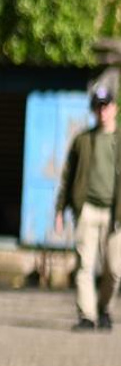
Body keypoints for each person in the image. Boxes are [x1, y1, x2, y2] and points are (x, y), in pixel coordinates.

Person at [54, 84, 118, 331]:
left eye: (106, 106)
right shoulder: (82, 140)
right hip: (87, 209)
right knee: (85, 265)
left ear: (114, 108)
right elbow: (67, 176)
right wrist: (60, 209)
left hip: (115, 213)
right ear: (93, 110)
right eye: (97, 106)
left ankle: (103, 308)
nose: (102, 111)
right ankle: (87, 316)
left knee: (114, 270)